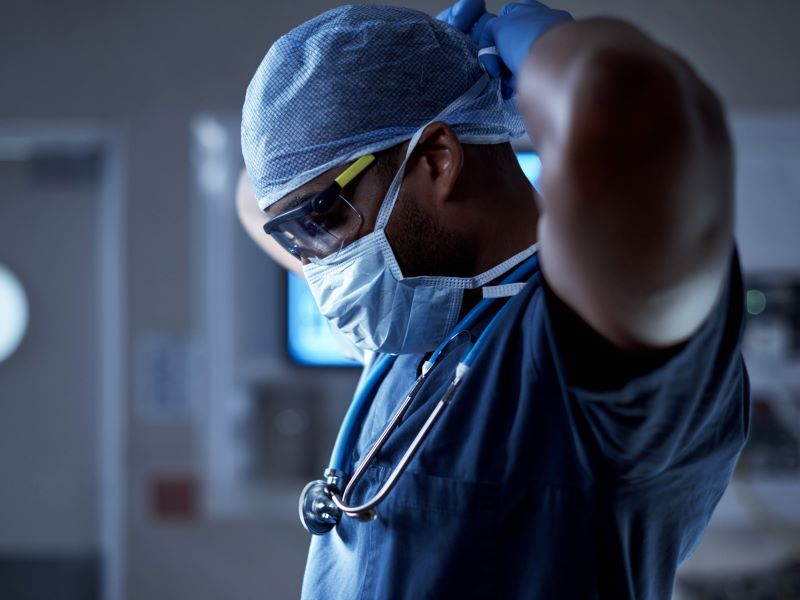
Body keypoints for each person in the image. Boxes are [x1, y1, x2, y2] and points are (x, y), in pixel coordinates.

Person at [238, 2, 749, 598]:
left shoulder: (591, 345)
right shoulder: (421, 318)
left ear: (436, 161)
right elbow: (257, 198)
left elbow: (632, 107)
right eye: (297, 242)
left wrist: (541, 59)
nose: (318, 267)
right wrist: (399, 85)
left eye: (321, 220)